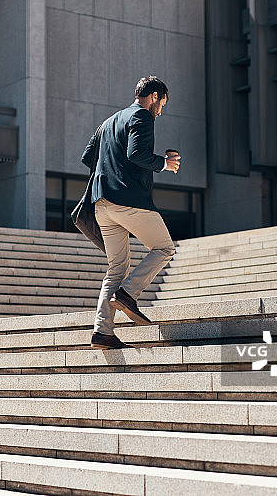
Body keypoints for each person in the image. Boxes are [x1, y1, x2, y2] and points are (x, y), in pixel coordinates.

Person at [81, 75, 180, 349]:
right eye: (162, 104)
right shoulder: (143, 117)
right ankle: (127, 294)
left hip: (102, 204)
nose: (161, 111)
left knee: (116, 268)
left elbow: (87, 157)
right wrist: (164, 163)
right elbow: (137, 154)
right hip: (129, 200)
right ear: (155, 96)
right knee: (163, 248)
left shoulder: (108, 122)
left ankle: (102, 331)